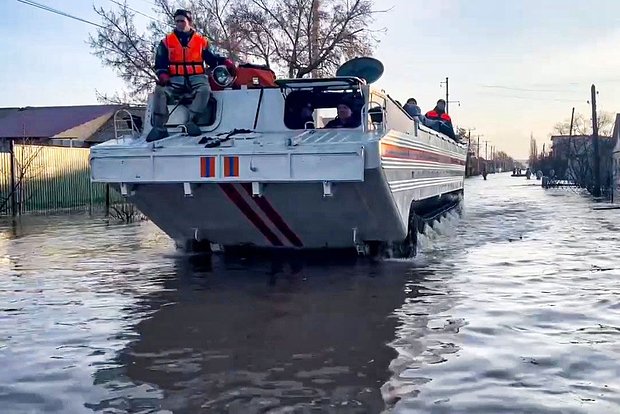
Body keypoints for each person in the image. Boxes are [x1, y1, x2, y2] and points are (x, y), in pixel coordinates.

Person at [147, 9, 236, 142]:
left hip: (197, 77)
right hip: (175, 79)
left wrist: (225, 61)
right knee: (160, 90)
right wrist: (163, 75)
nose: (179, 24)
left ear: (189, 22)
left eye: (182, 21)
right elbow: (159, 62)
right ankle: (159, 128)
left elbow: (211, 58)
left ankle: (191, 121)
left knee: (205, 90)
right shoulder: (166, 41)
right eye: (177, 21)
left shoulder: (201, 41)